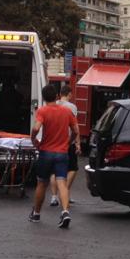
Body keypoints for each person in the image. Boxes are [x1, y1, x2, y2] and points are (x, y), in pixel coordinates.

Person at [29, 85, 80, 229]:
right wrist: (69, 142)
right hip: (62, 152)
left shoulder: (43, 110)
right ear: (57, 96)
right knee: (62, 182)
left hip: (46, 152)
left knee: (42, 183)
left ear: (44, 98)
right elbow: (76, 130)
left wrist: (34, 140)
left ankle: (36, 213)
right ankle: (65, 212)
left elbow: (36, 128)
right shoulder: (66, 111)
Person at [49, 85, 79, 207]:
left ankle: (54, 197)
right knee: (73, 168)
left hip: (53, 141)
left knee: (54, 170)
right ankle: (64, 192)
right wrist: (77, 143)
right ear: (69, 94)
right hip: (67, 142)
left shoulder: (53, 105)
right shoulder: (72, 107)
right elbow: (75, 127)